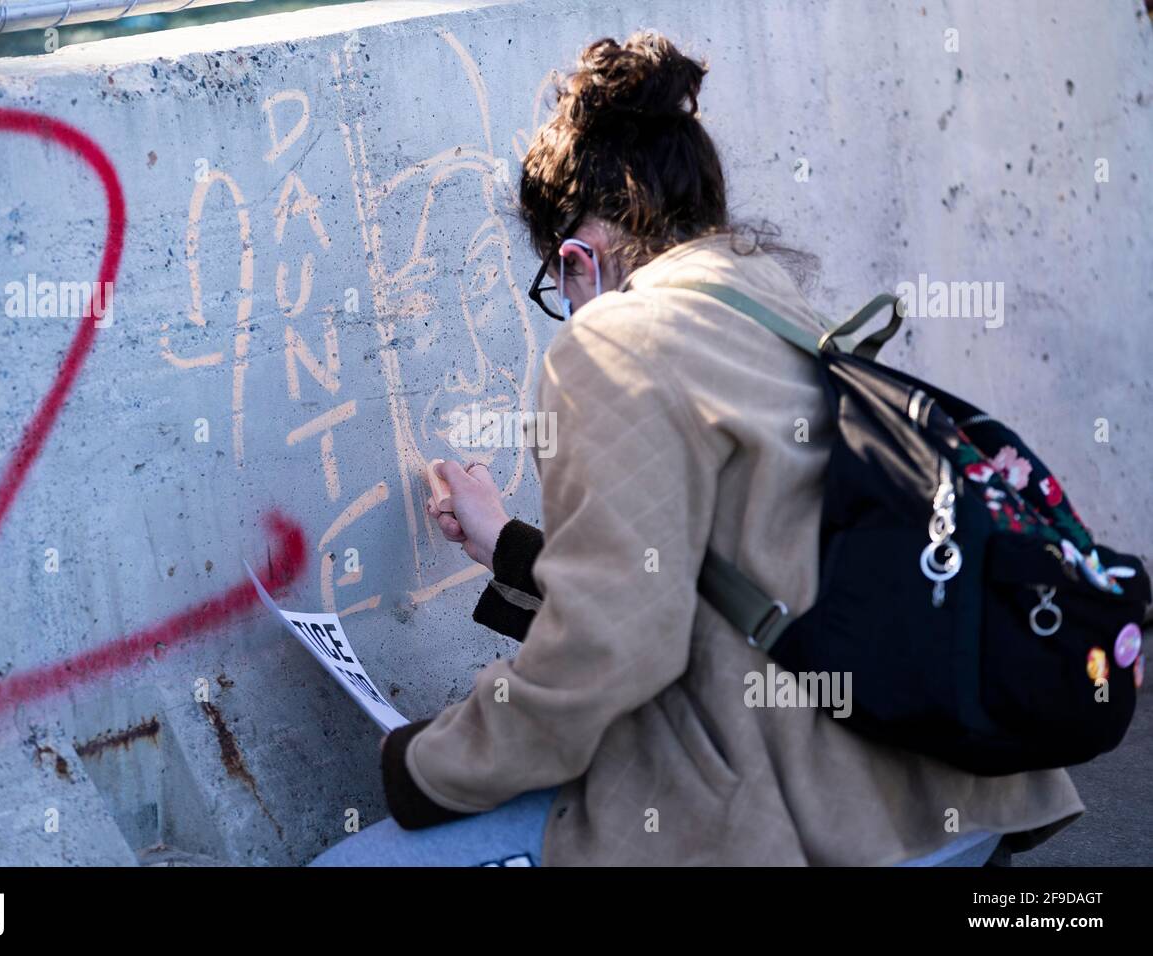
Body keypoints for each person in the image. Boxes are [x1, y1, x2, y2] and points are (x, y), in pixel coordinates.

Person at [310, 31, 1082, 867]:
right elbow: (721, 564)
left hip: (810, 830)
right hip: (956, 808)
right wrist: (508, 545)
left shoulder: (612, 342)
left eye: (556, 280)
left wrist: (422, 766)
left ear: (578, 256)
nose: (565, 302)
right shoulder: (776, 308)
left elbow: (609, 654)